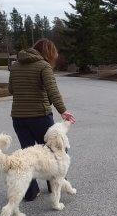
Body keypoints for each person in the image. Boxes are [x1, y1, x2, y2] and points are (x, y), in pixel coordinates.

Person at [8, 38, 76, 201]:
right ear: (48, 52)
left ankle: (30, 192)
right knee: (56, 151)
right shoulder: (43, 66)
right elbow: (53, 91)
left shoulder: (15, 66)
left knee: (28, 156)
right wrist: (63, 111)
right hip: (39, 116)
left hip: (18, 118)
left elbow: (11, 90)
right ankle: (55, 185)